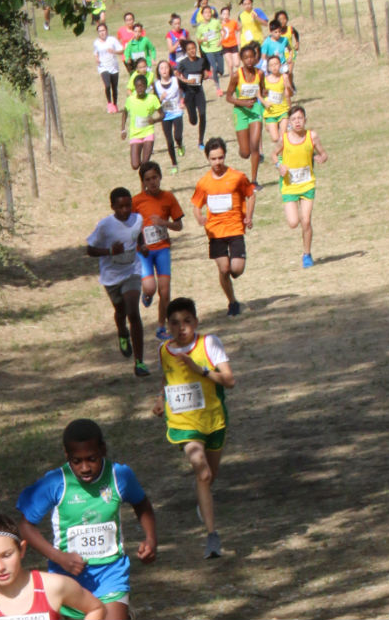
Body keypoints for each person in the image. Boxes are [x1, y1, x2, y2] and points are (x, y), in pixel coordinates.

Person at [18, 419, 158, 620]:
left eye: (91, 459)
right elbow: (25, 526)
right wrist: (60, 558)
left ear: (103, 450)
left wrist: (151, 538)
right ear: (67, 456)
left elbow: (142, 504)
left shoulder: (119, 476)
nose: (85, 468)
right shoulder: (56, 483)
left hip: (111, 573)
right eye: (77, 461)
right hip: (68, 578)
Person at [151, 297, 236, 559]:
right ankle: (212, 537)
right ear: (167, 326)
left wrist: (199, 370)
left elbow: (229, 380)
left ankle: (204, 500)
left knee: (209, 475)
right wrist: (160, 399)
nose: (181, 328)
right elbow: (169, 378)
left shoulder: (209, 343)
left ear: (196, 322)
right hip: (183, 424)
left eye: (187, 321)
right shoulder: (165, 350)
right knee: (201, 468)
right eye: (175, 323)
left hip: (213, 420)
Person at [0, 514, 105, 620]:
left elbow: (96, 608)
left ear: (22, 550)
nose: (0, 567)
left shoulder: (53, 586)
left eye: (7, 555)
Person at [86, 187, 151, 375]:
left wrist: (142, 246)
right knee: (121, 310)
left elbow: (138, 233)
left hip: (132, 271)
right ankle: (122, 331)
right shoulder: (105, 226)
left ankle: (139, 362)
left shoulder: (137, 219)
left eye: (128, 206)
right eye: (120, 207)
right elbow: (90, 250)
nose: (125, 210)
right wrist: (109, 252)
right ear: (113, 206)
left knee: (133, 311)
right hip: (111, 276)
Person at [191, 138, 255, 316]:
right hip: (215, 232)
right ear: (208, 159)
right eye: (213, 159)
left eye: (220, 158)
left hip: (235, 229)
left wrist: (248, 216)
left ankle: (230, 278)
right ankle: (232, 302)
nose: (217, 162)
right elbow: (196, 205)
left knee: (236, 269)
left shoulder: (237, 177)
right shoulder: (204, 182)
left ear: (225, 156)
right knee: (224, 268)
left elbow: (251, 194)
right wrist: (199, 217)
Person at [132, 161, 184, 341]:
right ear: (143, 182)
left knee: (165, 291)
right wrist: (141, 243)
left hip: (162, 249)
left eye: (155, 177)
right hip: (144, 252)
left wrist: (165, 223)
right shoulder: (136, 201)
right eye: (148, 179)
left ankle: (162, 326)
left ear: (160, 177)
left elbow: (179, 225)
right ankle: (146, 295)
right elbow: (131, 227)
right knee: (150, 287)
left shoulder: (168, 198)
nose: (152, 182)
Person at [273, 105, 328, 268]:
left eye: (300, 118)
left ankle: (307, 254)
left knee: (306, 221)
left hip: (307, 184)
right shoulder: (284, 138)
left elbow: (324, 154)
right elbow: (274, 155)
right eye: (294, 119)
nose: (297, 122)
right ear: (289, 122)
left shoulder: (312, 136)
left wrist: (321, 158)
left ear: (305, 120)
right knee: (293, 222)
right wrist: (279, 166)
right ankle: (306, 252)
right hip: (289, 186)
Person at [224, 42, 264, 187]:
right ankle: (242, 149)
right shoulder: (236, 76)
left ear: (255, 58)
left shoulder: (260, 73)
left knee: (255, 147)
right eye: (246, 58)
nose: (249, 60)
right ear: (241, 59)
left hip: (255, 111)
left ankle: (253, 181)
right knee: (246, 152)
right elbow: (228, 97)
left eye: (251, 57)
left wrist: (266, 96)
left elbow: (263, 90)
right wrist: (243, 103)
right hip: (240, 111)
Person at [120, 74, 163, 173]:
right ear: (134, 87)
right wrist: (123, 129)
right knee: (135, 165)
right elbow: (124, 113)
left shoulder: (152, 98)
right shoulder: (130, 100)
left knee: (144, 165)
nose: (140, 88)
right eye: (138, 86)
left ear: (146, 86)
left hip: (148, 132)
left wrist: (155, 120)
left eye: (142, 86)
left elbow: (163, 114)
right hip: (135, 134)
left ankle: (144, 186)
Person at [175, 40, 210, 151]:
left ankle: (201, 140)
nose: (192, 51)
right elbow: (177, 75)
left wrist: (205, 76)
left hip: (199, 91)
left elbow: (205, 73)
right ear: (186, 51)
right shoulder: (183, 63)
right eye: (189, 49)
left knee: (203, 114)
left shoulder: (201, 61)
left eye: (193, 48)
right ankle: (191, 116)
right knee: (193, 121)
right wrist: (185, 80)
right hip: (189, 93)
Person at [153, 60, 185, 172]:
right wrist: (160, 99)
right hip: (165, 115)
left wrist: (182, 101)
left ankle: (180, 145)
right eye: (161, 68)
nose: (164, 70)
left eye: (166, 67)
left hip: (177, 112)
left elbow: (183, 91)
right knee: (169, 141)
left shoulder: (176, 80)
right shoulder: (156, 85)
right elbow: (154, 102)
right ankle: (174, 164)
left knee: (177, 136)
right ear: (158, 71)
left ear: (170, 69)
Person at [259, 55, 291, 146]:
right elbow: (259, 95)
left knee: (283, 136)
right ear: (268, 68)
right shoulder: (265, 80)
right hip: (270, 113)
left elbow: (288, 94)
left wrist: (290, 110)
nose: (274, 67)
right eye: (271, 65)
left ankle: (283, 157)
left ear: (280, 65)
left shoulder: (283, 77)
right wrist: (264, 103)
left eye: (276, 64)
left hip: (283, 110)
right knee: (275, 138)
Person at [94, 23, 125, 113]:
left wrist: (114, 51)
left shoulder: (112, 40)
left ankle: (115, 104)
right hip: (103, 67)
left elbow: (122, 50)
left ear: (106, 31)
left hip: (113, 66)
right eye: (100, 31)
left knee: (114, 87)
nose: (102, 33)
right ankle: (109, 104)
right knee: (107, 85)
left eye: (103, 30)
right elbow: (96, 52)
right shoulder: (96, 42)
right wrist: (97, 59)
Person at [196, 5, 224, 95]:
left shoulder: (216, 22)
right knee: (214, 68)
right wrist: (203, 40)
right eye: (205, 12)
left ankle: (216, 74)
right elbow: (198, 40)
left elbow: (223, 31)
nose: (208, 14)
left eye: (209, 12)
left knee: (221, 70)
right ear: (202, 15)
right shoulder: (200, 27)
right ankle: (218, 88)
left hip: (218, 48)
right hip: (208, 50)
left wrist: (221, 40)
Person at [275, 10, 300, 91]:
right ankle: (288, 87)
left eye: (284, 19)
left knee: (289, 71)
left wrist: (297, 43)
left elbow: (296, 33)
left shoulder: (290, 29)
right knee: (283, 74)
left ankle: (291, 84)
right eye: (280, 19)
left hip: (290, 53)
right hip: (281, 55)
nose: (282, 21)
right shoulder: (276, 32)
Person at [219, 5, 241, 80]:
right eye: (224, 14)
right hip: (225, 46)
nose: (226, 16)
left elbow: (238, 30)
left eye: (227, 14)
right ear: (221, 15)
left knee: (237, 64)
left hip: (234, 44)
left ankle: (238, 75)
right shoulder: (219, 25)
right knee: (230, 64)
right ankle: (232, 79)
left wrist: (238, 39)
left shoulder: (233, 22)